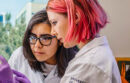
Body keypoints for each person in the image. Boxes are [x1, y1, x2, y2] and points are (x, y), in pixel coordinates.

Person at [46, 0, 121, 83]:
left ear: (75, 17)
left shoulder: (88, 63)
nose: (52, 32)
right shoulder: (95, 54)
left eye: (54, 22)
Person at [8, 10, 78, 83]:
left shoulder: (77, 65)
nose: (37, 45)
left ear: (60, 39)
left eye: (45, 38)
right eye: (33, 37)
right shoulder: (20, 56)